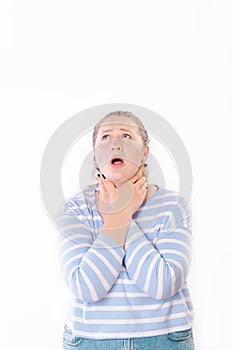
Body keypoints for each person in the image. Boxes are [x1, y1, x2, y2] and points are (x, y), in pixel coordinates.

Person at [56, 111, 195, 350]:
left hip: (163, 340)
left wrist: (120, 215)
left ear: (145, 152)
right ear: (95, 154)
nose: (116, 144)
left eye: (127, 136)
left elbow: (162, 284)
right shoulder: (75, 209)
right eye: (106, 137)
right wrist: (120, 214)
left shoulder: (173, 206)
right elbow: (86, 287)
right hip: (91, 342)